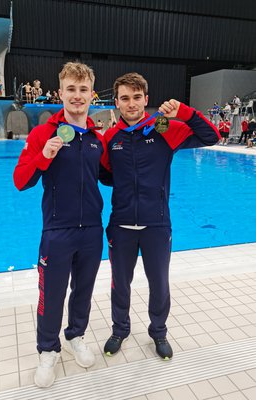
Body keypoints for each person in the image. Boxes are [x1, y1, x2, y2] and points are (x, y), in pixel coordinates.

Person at [100, 72, 220, 361]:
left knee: (159, 283)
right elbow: (104, 174)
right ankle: (120, 330)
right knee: (120, 282)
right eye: (125, 98)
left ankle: (159, 332)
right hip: (121, 226)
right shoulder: (110, 137)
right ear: (116, 102)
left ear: (146, 99)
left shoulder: (163, 128)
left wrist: (185, 112)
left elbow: (211, 136)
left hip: (156, 224)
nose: (131, 103)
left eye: (137, 97)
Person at [13, 62, 109, 388]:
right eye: (71, 89)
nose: (77, 96)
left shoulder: (98, 138)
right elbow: (20, 181)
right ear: (61, 92)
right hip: (57, 231)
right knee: (51, 295)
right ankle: (47, 349)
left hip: (92, 231)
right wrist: (43, 155)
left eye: (83, 90)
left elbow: (112, 176)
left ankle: (76, 335)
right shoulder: (44, 133)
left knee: (83, 291)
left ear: (91, 94)